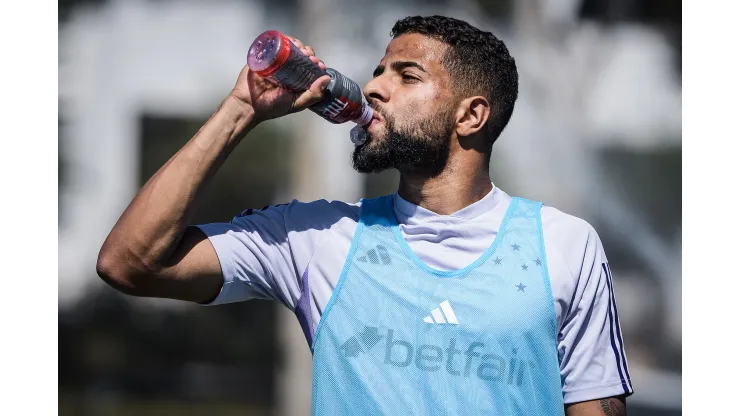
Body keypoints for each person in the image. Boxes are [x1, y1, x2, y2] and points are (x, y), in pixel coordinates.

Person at [97, 15, 632, 416]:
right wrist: (242, 108)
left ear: (471, 115)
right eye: (378, 72)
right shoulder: (315, 236)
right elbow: (129, 263)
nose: (374, 88)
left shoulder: (563, 243)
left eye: (407, 75)